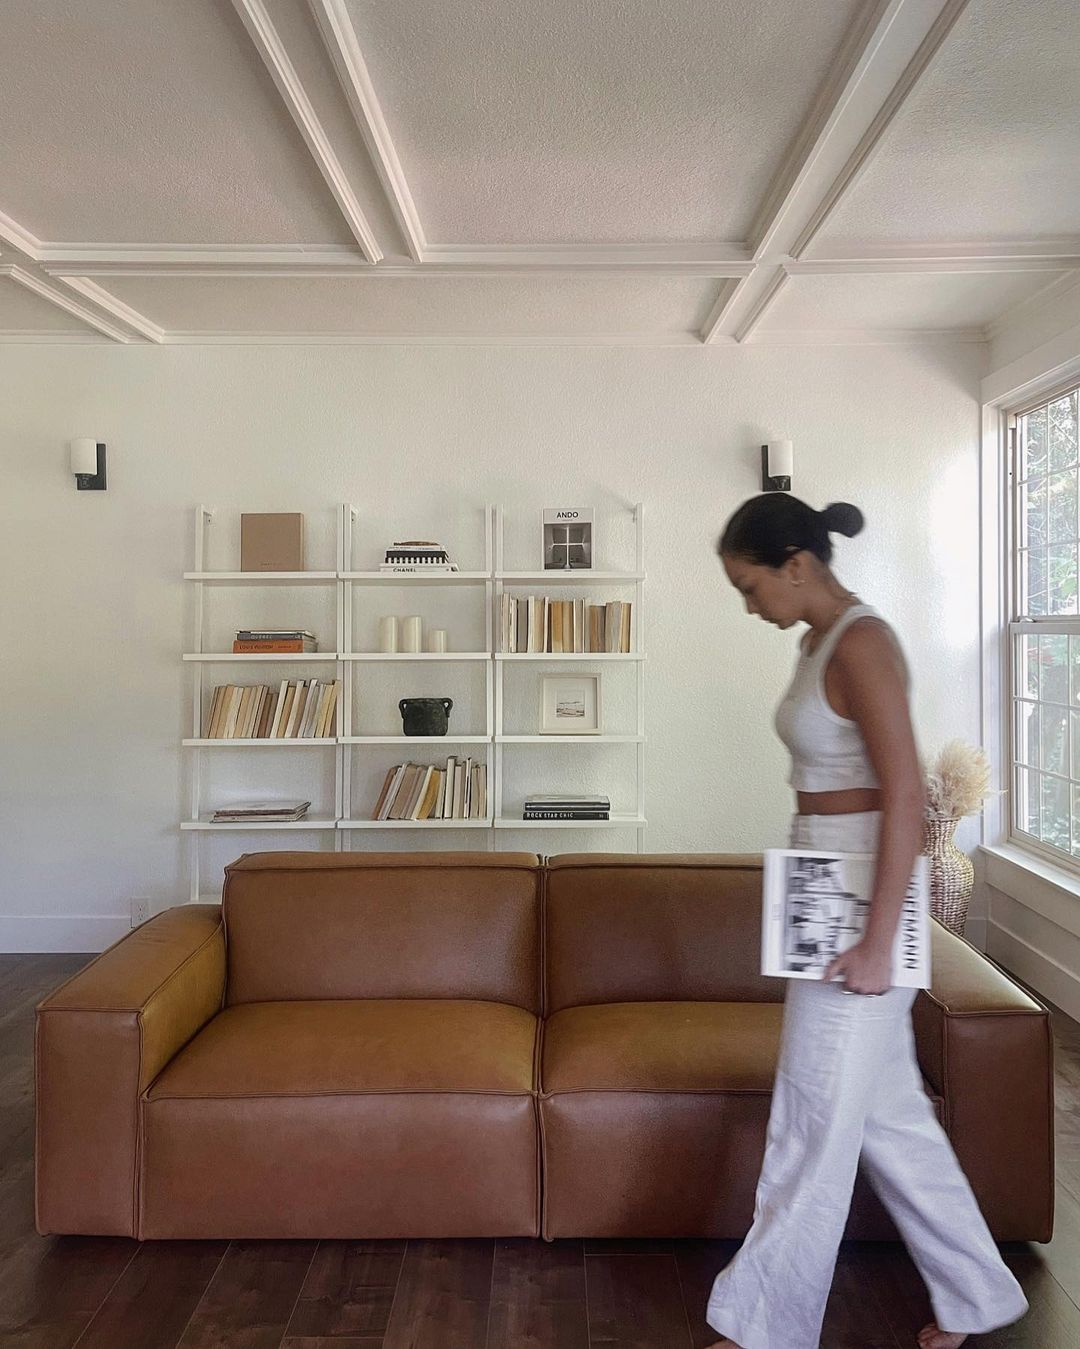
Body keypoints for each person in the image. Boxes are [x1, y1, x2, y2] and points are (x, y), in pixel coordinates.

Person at [704, 493, 1029, 1349]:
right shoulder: (817, 641)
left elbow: (906, 797)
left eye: (749, 585)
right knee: (889, 1116)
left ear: (796, 565)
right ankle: (977, 1295)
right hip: (822, 873)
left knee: (811, 1117)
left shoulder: (866, 642)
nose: (748, 604)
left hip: (863, 897)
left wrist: (882, 937)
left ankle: (762, 1330)